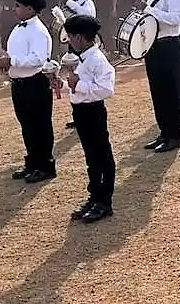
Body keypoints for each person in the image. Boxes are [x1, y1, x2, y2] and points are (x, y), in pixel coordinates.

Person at [0, 0, 56, 183]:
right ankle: (32, 162)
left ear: (30, 9)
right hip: (20, 83)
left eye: (18, 6)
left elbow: (38, 59)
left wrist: (12, 61)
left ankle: (45, 165)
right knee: (27, 125)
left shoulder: (38, 30)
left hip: (35, 83)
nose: (15, 9)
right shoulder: (19, 27)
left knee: (40, 125)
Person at [63, 15, 116, 224]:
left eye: (69, 36)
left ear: (79, 37)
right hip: (80, 111)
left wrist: (79, 86)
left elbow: (106, 89)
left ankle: (104, 201)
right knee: (90, 156)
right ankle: (94, 196)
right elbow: (76, 84)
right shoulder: (80, 57)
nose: (68, 41)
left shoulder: (97, 60)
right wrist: (65, 85)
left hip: (93, 111)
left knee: (101, 154)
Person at [136, 0, 180, 153]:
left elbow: (175, 19)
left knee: (169, 92)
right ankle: (164, 131)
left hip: (168, 45)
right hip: (153, 45)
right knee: (157, 92)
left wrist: (148, 9)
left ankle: (174, 135)